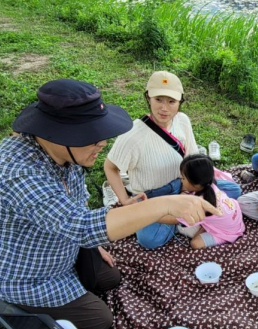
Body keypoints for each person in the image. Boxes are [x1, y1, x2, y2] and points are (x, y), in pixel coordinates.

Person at [0, 79, 220, 329]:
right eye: (93, 137)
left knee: (109, 278)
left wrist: (94, 245)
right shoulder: (18, 172)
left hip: (61, 244)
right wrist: (164, 204)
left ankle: (67, 279)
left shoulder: (61, 153)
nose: (102, 144)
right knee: (100, 321)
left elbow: (78, 212)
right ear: (60, 133)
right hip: (25, 275)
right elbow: (81, 226)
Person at [103, 71, 241, 249]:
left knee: (234, 190)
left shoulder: (182, 120)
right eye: (158, 99)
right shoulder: (133, 135)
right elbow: (110, 167)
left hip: (184, 184)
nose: (164, 108)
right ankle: (186, 219)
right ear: (148, 98)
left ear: (180, 102)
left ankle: (186, 218)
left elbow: (191, 156)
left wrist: (199, 180)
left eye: (171, 101)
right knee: (149, 240)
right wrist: (125, 200)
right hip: (155, 196)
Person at [155, 154, 245, 249]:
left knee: (195, 243)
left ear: (195, 183)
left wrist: (152, 216)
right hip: (234, 216)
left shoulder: (198, 204)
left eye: (183, 178)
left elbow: (173, 220)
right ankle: (206, 225)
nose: (181, 181)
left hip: (228, 232)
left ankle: (208, 228)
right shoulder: (210, 185)